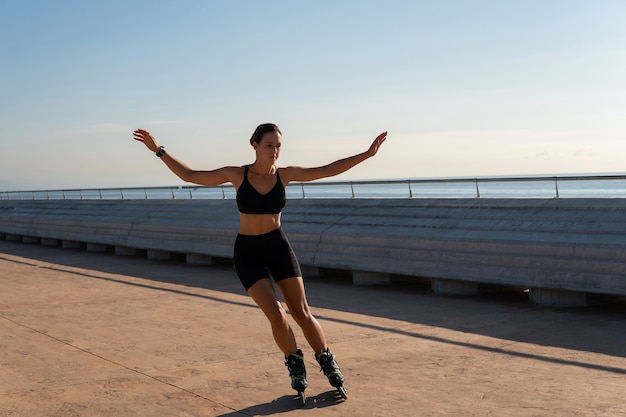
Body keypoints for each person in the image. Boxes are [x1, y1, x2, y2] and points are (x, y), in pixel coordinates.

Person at [132, 123, 387, 400]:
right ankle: (295, 365)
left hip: (278, 247)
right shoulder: (237, 175)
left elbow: (327, 170)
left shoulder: (286, 175)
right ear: (254, 145)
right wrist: (158, 150)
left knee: (301, 311)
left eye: (278, 146)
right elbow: (191, 175)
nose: (274, 151)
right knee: (277, 315)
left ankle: (327, 361)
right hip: (248, 252)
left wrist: (367, 154)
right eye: (269, 145)